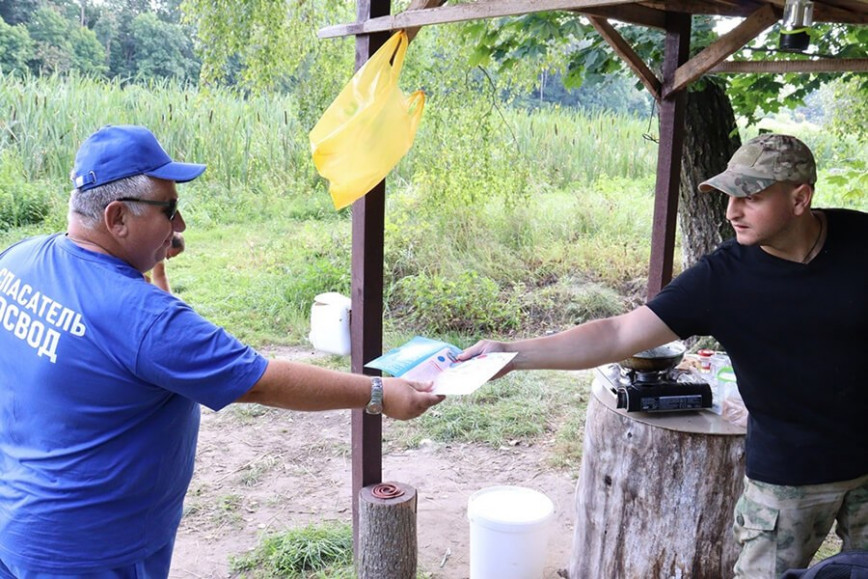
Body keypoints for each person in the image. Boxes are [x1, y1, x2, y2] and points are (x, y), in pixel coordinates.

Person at [0, 124, 444, 578]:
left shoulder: (19, 260)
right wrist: (379, 393)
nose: (180, 226)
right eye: (169, 210)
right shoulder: (147, 321)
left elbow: (122, 343)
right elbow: (260, 381)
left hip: (18, 527)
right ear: (117, 218)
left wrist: (149, 263)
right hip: (93, 554)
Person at [459, 134, 867, 578]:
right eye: (730, 196)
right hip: (789, 477)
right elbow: (618, 333)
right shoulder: (722, 279)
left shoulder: (860, 240)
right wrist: (511, 354)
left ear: (800, 198)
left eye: (750, 197)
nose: (732, 211)